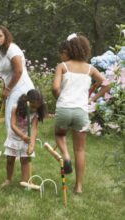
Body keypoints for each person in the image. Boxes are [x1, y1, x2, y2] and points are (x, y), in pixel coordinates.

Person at [52, 33, 111, 193]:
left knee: (59, 135)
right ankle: (78, 187)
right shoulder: (90, 69)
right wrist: (92, 99)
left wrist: (60, 97)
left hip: (64, 108)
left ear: (70, 49)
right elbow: (107, 84)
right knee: (80, 149)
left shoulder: (62, 66)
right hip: (81, 111)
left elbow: (55, 88)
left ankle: (65, 156)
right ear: (85, 50)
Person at [0, 25, 35, 144]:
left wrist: (8, 88)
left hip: (21, 88)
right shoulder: (1, 53)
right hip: (11, 88)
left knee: (13, 119)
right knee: (10, 119)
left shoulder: (12, 49)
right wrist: (4, 89)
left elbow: (18, 71)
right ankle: (15, 147)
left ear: (6, 36)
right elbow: (6, 74)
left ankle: (17, 148)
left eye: (0, 36)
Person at [0, 89, 46, 188]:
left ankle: (25, 182)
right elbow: (12, 125)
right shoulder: (15, 108)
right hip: (15, 136)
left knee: (25, 160)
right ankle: (8, 179)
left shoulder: (35, 114)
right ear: (26, 101)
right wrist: (22, 136)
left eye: (36, 108)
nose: (34, 110)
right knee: (10, 159)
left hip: (27, 137)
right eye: (33, 107)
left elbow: (33, 129)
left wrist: (32, 145)